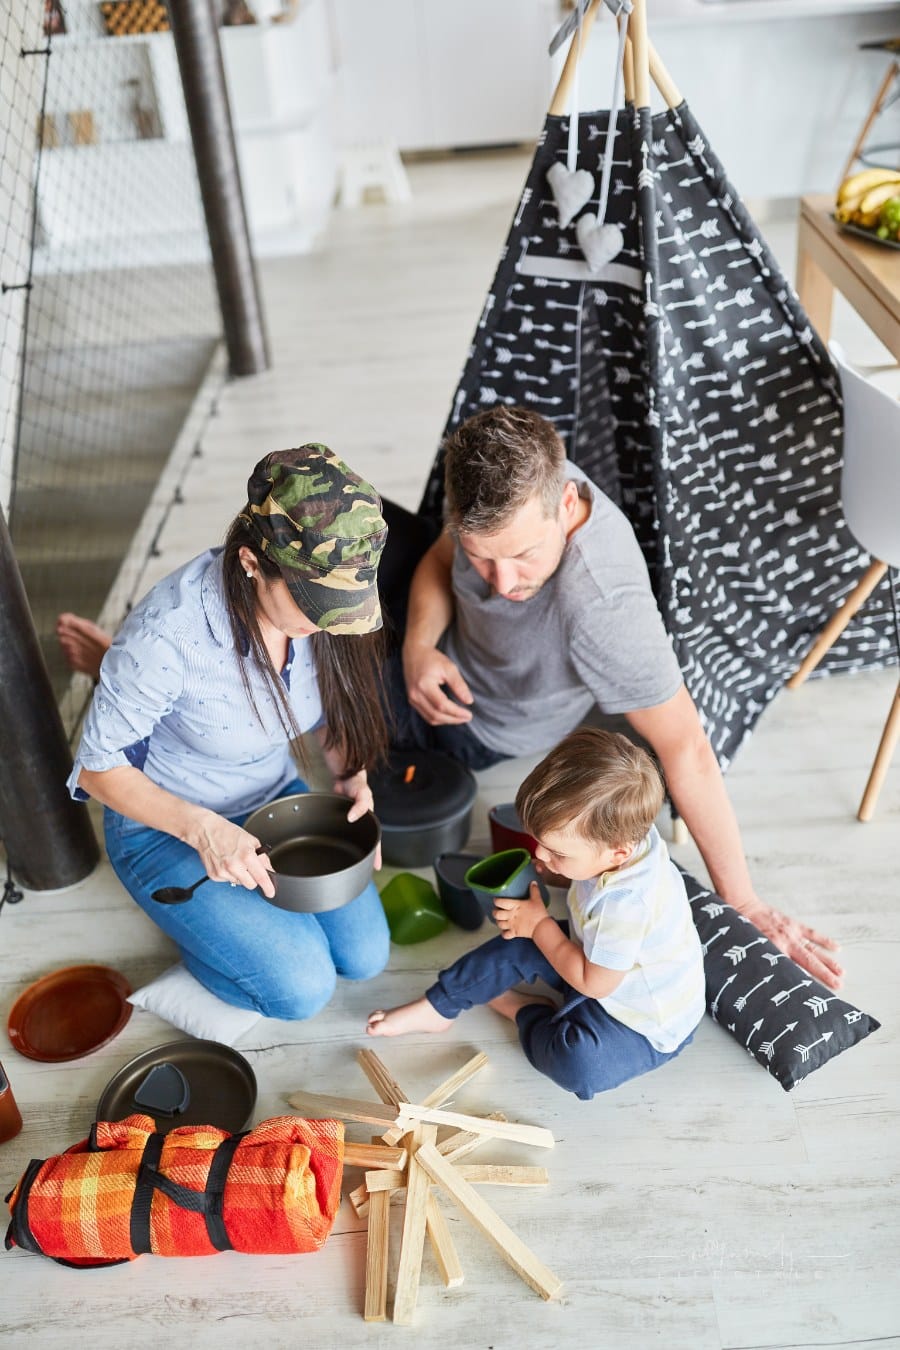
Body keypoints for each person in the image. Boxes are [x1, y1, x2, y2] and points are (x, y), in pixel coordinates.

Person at [395, 405, 843, 991]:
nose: (502, 584)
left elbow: (685, 745)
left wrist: (745, 903)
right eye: (484, 556)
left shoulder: (602, 609)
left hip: (471, 720)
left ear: (564, 506)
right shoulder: (519, 475)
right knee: (347, 520)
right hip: (436, 653)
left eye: (524, 557)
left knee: (329, 693)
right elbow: (439, 554)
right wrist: (417, 646)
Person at [67, 445, 392, 1019]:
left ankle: (114, 675)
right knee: (302, 989)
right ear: (249, 562)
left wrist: (349, 776)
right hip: (168, 824)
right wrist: (205, 831)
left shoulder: (327, 598)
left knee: (365, 957)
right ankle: (202, 939)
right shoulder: (170, 633)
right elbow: (96, 768)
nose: (324, 623)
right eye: (314, 604)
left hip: (270, 795)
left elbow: (325, 711)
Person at [367, 728, 706, 1100]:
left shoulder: (627, 904)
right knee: (514, 945)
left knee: (578, 1065)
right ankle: (438, 1007)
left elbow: (594, 984)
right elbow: (587, 889)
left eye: (558, 853)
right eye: (540, 844)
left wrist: (540, 924)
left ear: (617, 854)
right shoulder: (620, 843)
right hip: (594, 957)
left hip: (639, 1021)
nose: (542, 857)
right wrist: (559, 881)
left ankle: (523, 1010)